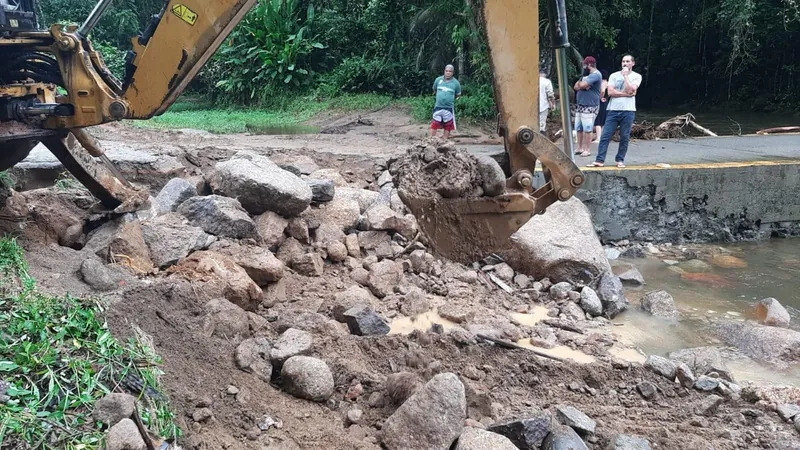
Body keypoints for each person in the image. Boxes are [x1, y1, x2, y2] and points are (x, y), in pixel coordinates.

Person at [588, 55, 642, 168]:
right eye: (623, 61)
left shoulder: (637, 76)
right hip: (613, 110)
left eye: (627, 61)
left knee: (624, 136)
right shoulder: (613, 75)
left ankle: (620, 159)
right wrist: (627, 94)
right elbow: (611, 92)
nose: (625, 63)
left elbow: (632, 89)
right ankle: (600, 160)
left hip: (628, 110)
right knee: (605, 135)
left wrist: (626, 77)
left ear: (633, 63)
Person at [572, 56, 602, 157]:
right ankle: (579, 147)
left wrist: (582, 85)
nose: (583, 67)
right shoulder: (585, 76)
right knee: (578, 127)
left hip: (590, 106)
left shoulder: (596, 75)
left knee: (587, 128)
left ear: (589, 65)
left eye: (585, 65)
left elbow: (583, 85)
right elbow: (576, 87)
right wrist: (582, 85)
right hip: (580, 105)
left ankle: (587, 149)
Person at [430, 64, 462, 139]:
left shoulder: (456, 83)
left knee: (448, 125)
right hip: (438, 106)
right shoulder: (438, 80)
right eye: (446, 71)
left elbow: (458, 95)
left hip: (448, 108)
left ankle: (445, 140)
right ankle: (431, 140)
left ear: (452, 73)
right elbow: (434, 89)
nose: (448, 73)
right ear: (444, 71)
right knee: (435, 123)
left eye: (450, 71)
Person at [592, 70, 609, 143]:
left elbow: (602, 91)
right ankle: (601, 137)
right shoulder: (608, 82)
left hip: (601, 102)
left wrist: (599, 97)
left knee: (598, 120)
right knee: (602, 120)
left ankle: (598, 138)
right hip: (606, 102)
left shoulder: (603, 83)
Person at [539, 68, 555, 134]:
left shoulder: (533, 81)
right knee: (542, 125)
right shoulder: (547, 81)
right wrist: (552, 104)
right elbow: (550, 94)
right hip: (543, 106)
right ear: (545, 74)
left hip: (533, 106)